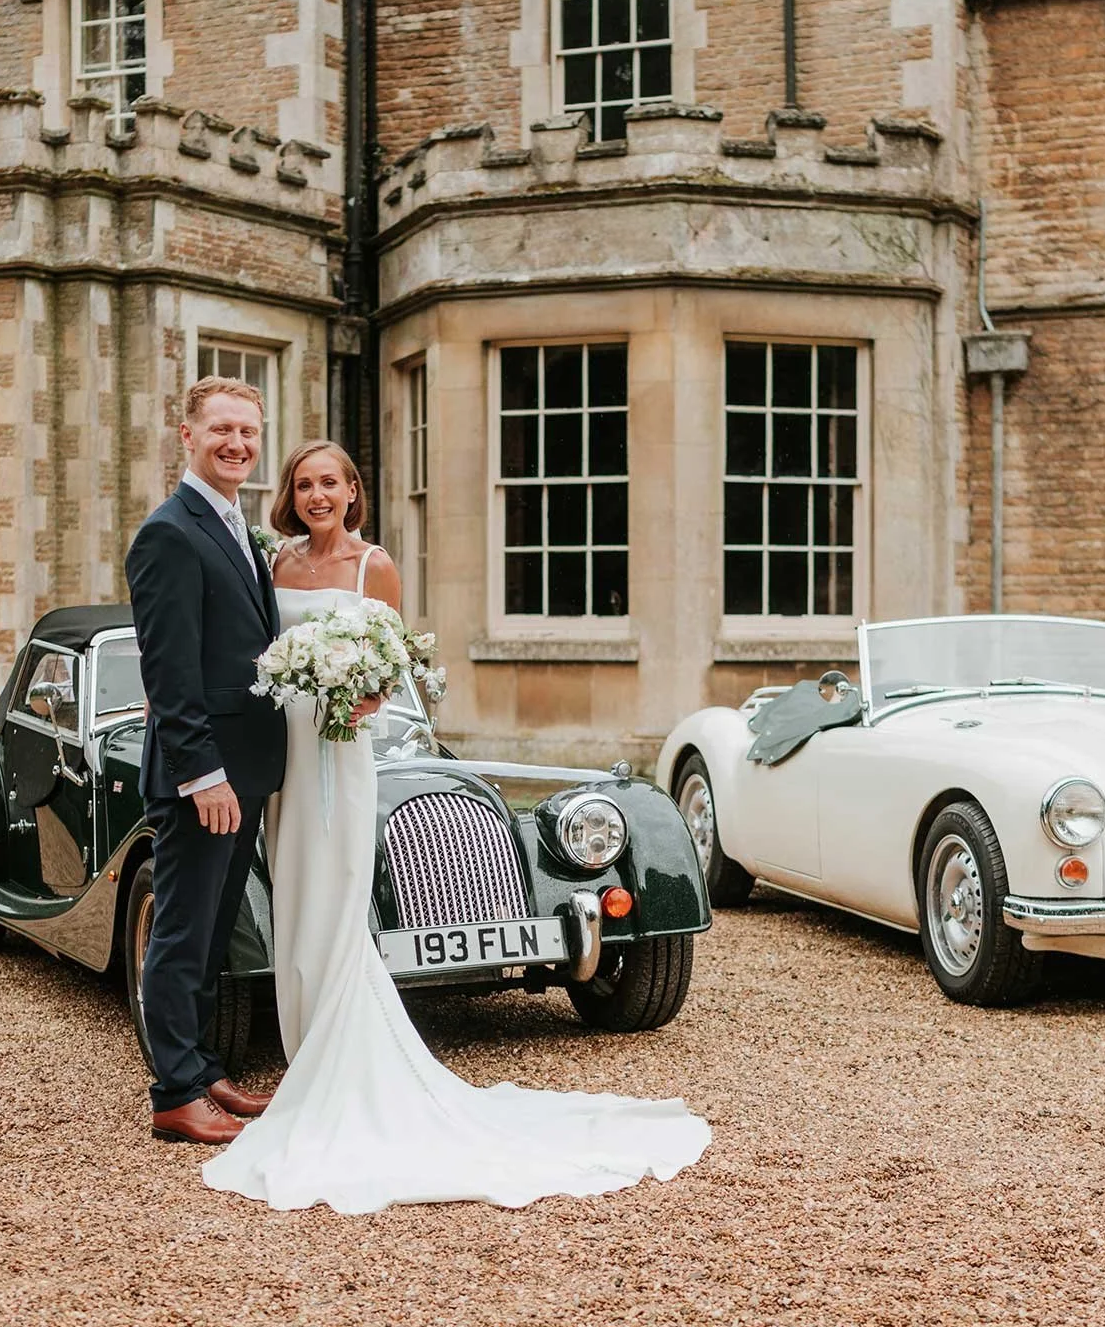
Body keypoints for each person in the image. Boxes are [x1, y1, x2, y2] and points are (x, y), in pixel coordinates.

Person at [200, 440, 710, 1213]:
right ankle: (306, 1051)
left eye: (329, 482)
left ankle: (338, 1063)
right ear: (290, 495)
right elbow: (259, 651)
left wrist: (364, 696)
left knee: (336, 899)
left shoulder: (376, 566)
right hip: (286, 755)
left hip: (342, 748)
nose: (316, 494)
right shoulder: (276, 565)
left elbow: (387, 659)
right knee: (295, 896)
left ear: (352, 490)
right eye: (304, 483)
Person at [124, 376, 287, 1146]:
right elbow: (171, 671)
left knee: (216, 930)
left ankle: (206, 1065)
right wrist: (203, 773)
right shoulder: (170, 531)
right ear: (186, 434)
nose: (237, 444)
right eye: (222, 428)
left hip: (246, 770)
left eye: (249, 432)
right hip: (206, 776)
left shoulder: (235, 527)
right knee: (182, 933)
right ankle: (176, 1093)